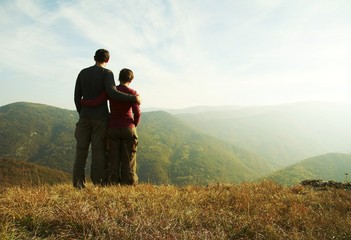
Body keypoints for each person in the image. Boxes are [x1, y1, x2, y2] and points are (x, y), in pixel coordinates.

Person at [73, 49, 140, 189]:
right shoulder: (107, 73)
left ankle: (78, 183)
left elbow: (77, 96)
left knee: (81, 151)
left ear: (94, 58)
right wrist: (133, 98)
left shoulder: (83, 72)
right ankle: (98, 183)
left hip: (84, 117)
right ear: (108, 60)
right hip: (100, 119)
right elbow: (112, 93)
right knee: (98, 151)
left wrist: (82, 113)